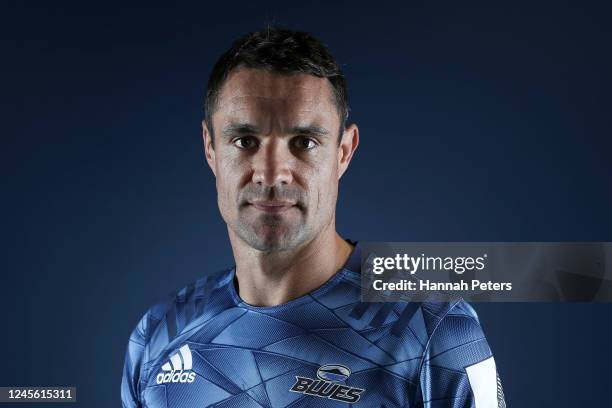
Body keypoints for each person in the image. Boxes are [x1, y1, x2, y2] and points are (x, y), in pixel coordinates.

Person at [121, 26, 506, 407]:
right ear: (210, 148)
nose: (271, 173)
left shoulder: (436, 329)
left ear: (343, 151)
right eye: (245, 141)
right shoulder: (158, 334)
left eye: (304, 142)